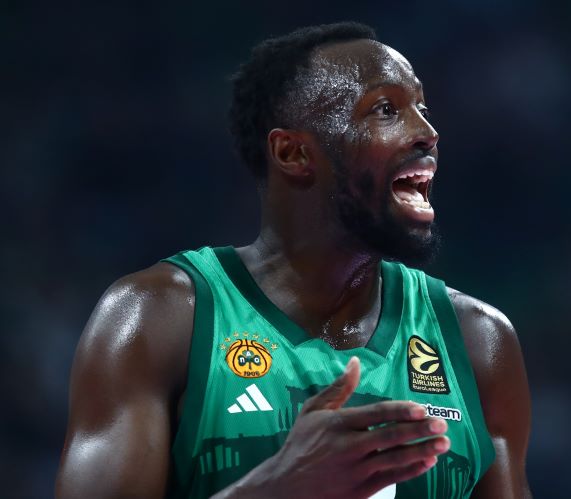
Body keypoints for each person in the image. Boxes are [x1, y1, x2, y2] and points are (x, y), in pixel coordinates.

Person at [56, 22, 532, 499]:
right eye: (386, 109)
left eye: (422, 109)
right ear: (293, 153)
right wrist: (276, 487)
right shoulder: (160, 318)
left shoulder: (476, 340)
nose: (428, 133)